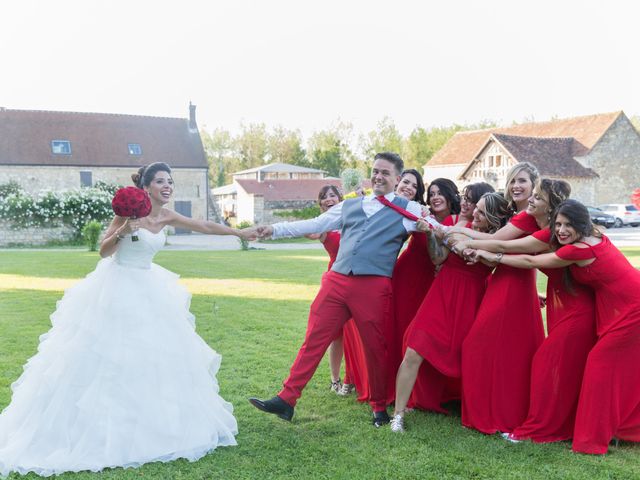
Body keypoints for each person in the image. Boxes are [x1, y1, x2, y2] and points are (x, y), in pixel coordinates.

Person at [0, 162, 254, 476]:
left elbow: (204, 226)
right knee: (107, 359)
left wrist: (238, 231)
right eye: (161, 181)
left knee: (155, 359)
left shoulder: (167, 216)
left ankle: (151, 425)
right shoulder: (127, 213)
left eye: (170, 181)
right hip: (115, 290)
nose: (168, 186)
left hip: (151, 290)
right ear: (145, 187)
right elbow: (104, 252)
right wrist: (124, 230)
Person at [248, 152, 427, 427]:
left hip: (373, 286)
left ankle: (379, 407)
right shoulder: (351, 205)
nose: (379, 176)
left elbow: (437, 230)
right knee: (314, 339)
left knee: (375, 350)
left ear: (397, 178)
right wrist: (272, 229)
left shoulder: (409, 210)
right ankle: (286, 399)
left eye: (385, 173)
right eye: (375, 171)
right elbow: (314, 224)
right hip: (337, 280)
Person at [470, 199, 640, 454]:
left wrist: (492, 256)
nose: (561, 230)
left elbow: (530, 262)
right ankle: (622, 429)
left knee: (599, 367)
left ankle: (591, 441)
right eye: (558, 224)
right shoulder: (591, 237)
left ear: (582, 224)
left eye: (568, 225)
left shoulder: (580, 249)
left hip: (632, 311)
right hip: (623, 309)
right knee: (615, 370)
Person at [457, 179, 596, 443]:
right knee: (550, 365)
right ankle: (545, 423)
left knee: (547, 364)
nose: (530, 199)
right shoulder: (547, 230)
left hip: (577, 307)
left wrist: (470, 243)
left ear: (550, 205)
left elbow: (511, 251)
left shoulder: (558, 234)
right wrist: (461, 235)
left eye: (537, 197)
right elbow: (503, 246)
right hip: (562, 303)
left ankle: (539, 428)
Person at [390, 189, 506, 432]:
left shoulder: (497, 240)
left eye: (482, 211)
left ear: (493, 218)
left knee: (467, 357)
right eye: (476, 207)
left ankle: (468, 405)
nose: (474, 213)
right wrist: (433, 234)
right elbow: (438, 258)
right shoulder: (459, 226)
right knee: (414, 348)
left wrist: (460, 242)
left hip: (470, 301)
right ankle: (398, 416)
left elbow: (491, 260)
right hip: (440, 295)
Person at [449, 162, 545, 435]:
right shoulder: (520, 213)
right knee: (499, 350)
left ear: (534, 185)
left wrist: (461, 233)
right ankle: (492, 411)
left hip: (512, 286)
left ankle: (502, 416)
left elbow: (497, 241)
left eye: (523, 181)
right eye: (513, 180)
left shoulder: (528, 215)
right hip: (506, 281)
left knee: (487, 347)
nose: (516, 186)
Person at [308, 185, 366, 397]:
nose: (328, 199)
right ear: (321, 203)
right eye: (324, 197)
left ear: (340, 198)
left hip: (357, 278)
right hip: (335, 279)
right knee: (337, 336)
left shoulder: (350, 218)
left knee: (357, 334)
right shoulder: (324, 225)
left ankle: (354, 378)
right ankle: (336, 379)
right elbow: (311, 233)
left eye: (332, 195)